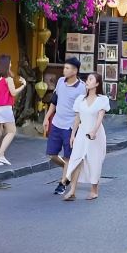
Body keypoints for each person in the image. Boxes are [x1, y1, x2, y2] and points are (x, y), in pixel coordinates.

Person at [62, 72, 110, 201]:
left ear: (97, 84)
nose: (87, 81)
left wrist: (94, 131)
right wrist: (73, 134)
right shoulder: (80, 99)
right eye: (87, 79)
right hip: (82, 133)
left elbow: (100, 118)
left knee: (94, 160)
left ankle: (94, 190)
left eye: (90, 79)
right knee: (77, 158)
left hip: (96, 134)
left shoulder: (102, 100)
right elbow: (77, 118)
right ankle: (72, 190)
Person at [43, 57, 86, 195]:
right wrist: (46, 118)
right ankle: (68, 169)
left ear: (75, 70)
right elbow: (54, 102)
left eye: (67, 68)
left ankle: (62, 183)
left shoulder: (82, 87)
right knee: (51, 154)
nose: (64, 70)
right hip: (56, 123)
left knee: (68, 156)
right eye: (64, 68)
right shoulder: (61, 81)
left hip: (70, 125)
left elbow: (82, 110)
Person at [0, 54, 27, 166]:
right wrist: (23, 85)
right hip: (4, 108)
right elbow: (13, 93)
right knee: (12, 131)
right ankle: (1, 154)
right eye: (10, 62)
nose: (11, 64)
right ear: (7, 64)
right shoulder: (8, 79)